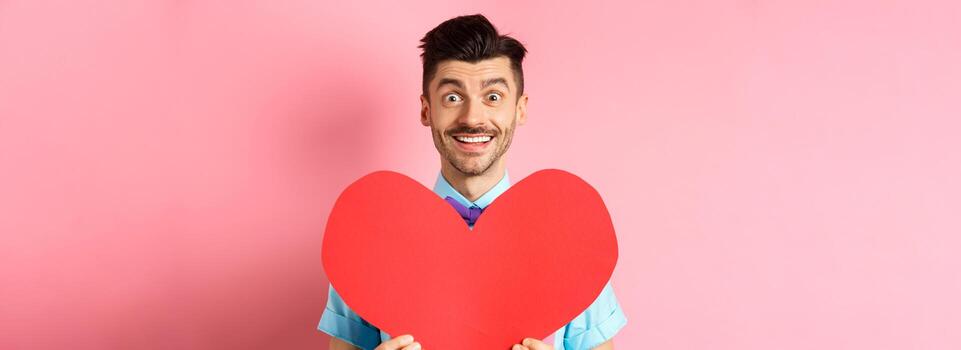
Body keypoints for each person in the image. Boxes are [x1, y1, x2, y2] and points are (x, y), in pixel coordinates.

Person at [318, 14, 626, 350]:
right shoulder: (368, 238)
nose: (472, 118)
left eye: (493, 97)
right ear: (426, 110)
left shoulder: (573, 239)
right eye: (452, 97)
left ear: (520, 110)